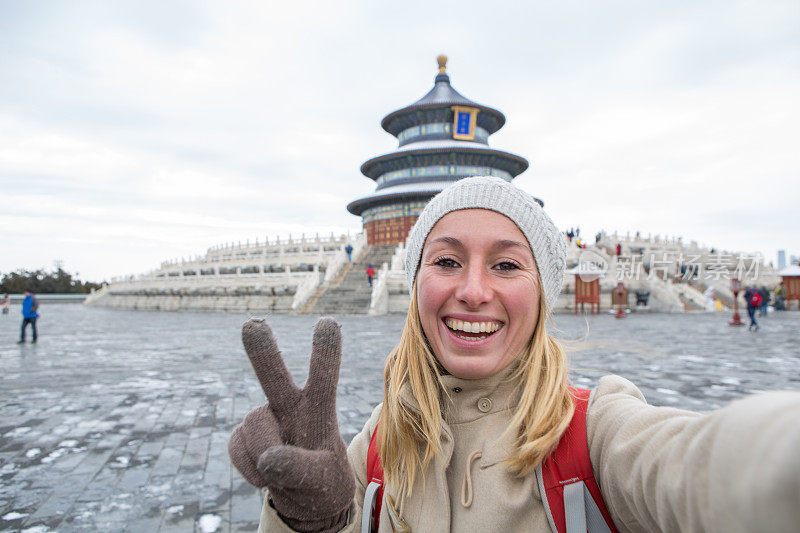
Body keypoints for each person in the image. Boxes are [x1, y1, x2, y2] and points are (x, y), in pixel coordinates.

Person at [229, 176, 800, 533]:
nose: (474, 290)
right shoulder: (378, 445)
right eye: (447, 260)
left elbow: (706, 467)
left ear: (543, 289)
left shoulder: (595, 438)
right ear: (416, 283)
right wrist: (309, 521)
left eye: (506, 264)